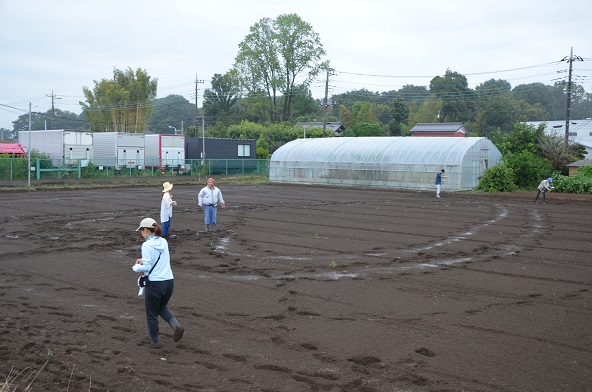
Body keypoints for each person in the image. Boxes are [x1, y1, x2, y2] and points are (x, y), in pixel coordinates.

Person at [132, 217, 184, 348]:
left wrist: (136, 267)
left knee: (151, 313)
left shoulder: (146, 245)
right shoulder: (163, 241)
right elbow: (155, 259)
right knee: (161, 308)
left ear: (145, 230)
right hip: (169, 282)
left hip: (155, 284)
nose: (141, 234)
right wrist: (142, 259)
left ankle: (155, 341)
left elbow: (148, 267)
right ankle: (176, 326)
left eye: (141, 231)